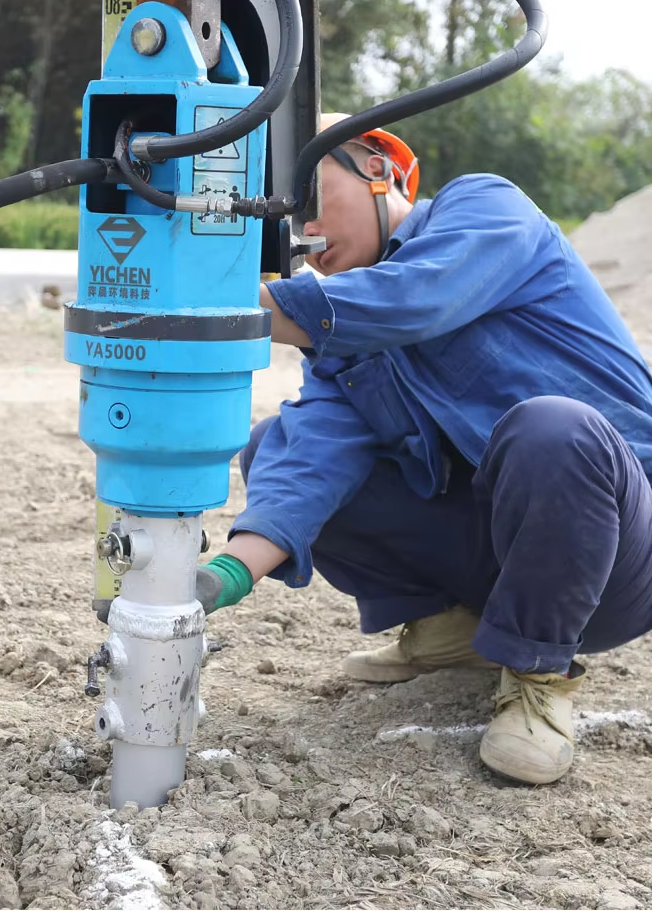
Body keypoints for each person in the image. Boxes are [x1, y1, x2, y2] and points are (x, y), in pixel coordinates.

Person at [192, 112, 652, 786]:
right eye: (282, 219)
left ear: (376, 168)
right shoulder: (339, 346)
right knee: (275, 444)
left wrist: (218, 303)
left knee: (552, 429)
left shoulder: (484, 208)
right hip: (495, 547)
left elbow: (412, 299)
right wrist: (222, 575)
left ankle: (536, 675)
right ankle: (452, 633)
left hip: (616, 549)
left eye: (308, 199)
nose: (301, 233)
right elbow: (311, 462)